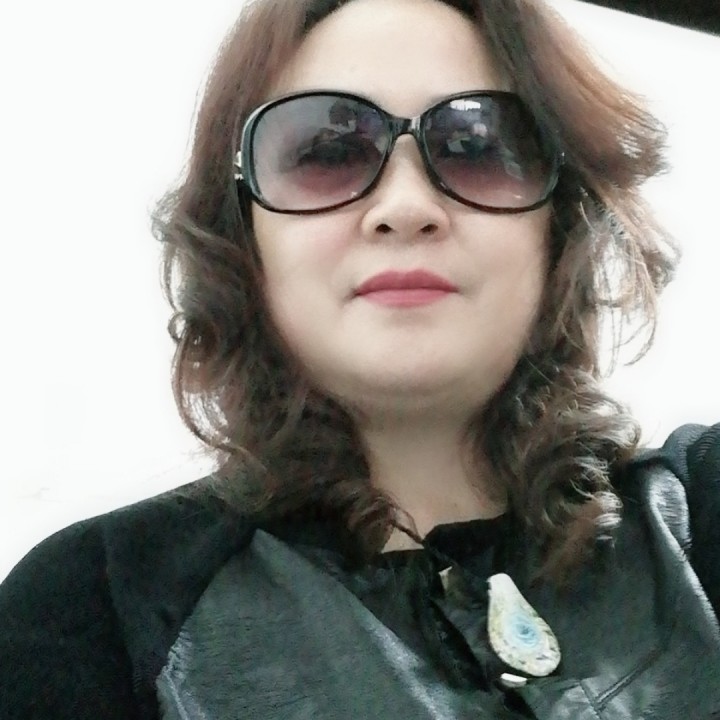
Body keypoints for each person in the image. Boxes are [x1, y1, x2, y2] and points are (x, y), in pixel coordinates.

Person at [1, 0, 719, 718]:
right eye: (326, 152)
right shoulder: (95, 610)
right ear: (243, 235)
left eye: (475, 145)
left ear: (559, 226)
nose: (405, 207)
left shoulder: (698, 515)